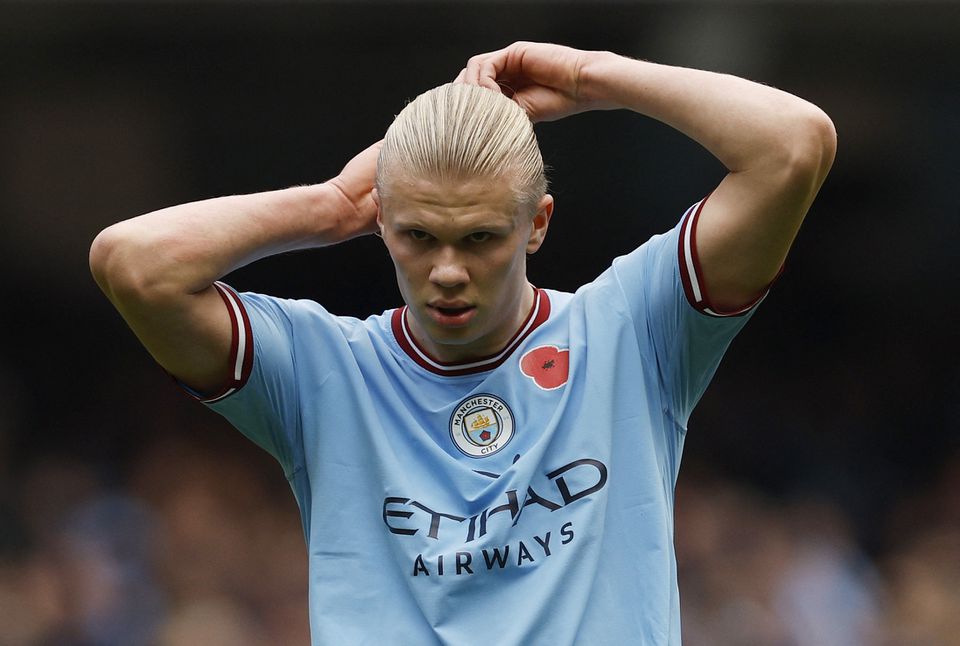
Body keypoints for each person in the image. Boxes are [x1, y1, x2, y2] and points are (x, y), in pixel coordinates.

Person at [90, 41, 835, 644]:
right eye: (418, 237)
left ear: (537, 224)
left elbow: (795, 147)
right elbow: (136, 266)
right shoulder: (324, 372)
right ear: (382, 222)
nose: (447, 272)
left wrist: (591, 75)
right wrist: (327, 206)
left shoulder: (632, 330)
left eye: (480, 238)